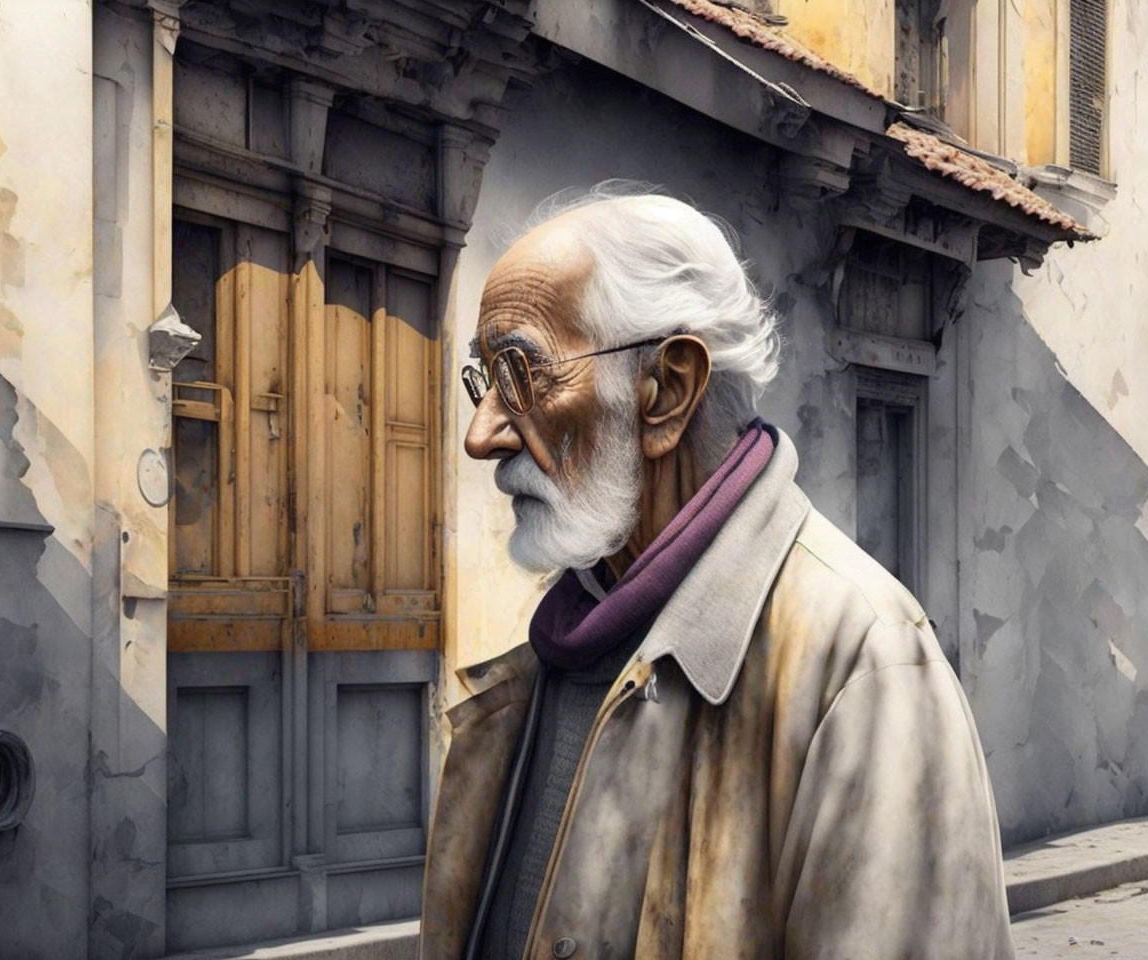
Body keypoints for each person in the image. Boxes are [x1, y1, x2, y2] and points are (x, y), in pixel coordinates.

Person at [419, 188, 1015, 960]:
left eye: (524, 375)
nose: (481, 434)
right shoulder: (555, 649)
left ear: (665, 391)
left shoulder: (864, 664)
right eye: (484, 380)